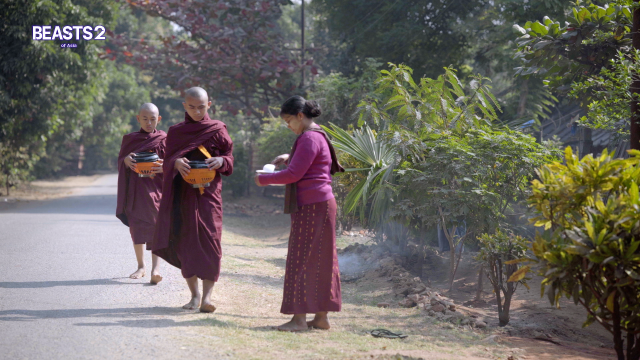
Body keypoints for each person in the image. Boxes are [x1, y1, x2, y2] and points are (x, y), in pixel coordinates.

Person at [254, 95, 344, 331]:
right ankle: (321, 317)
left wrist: (264, 179)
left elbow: (294, 174)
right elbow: (308, 165)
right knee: (322, 260)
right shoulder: (318, 134)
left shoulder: (308, 138)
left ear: (300, 116)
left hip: (312, 205)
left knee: (301, 260)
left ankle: (299, 319)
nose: (288, 126)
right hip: (322, 204)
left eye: (288, 121)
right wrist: (289, 157)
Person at [149, 87, 234, 313]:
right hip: (184, 197)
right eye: (192, 107)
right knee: (187, 245)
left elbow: (229, 158)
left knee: (211, 243)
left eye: (202, 107)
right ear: (185, 106)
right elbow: (166, 161)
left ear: (209, 104)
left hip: (209, 196)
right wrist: (175, 163)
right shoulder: (176, 132)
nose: (197, 111)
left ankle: (207, 298)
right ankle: (194, 296)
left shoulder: (218, 129)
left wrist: (221, 161)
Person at [116, 103, 166, 284]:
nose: (148, 122)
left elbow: (170, 162)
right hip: (136, 191)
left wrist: (163, 167)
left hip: (156, 190)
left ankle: (156, 269)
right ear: (138, 119)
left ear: (159, 119)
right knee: (136, 227)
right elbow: (121, 160)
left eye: (152, 119)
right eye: (144, 118)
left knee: (156, 228)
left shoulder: (163, 139)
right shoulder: (130, 139)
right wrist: (126, 160)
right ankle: (141, 266)